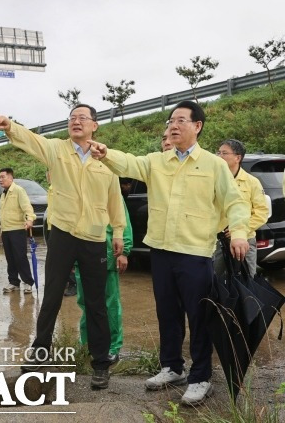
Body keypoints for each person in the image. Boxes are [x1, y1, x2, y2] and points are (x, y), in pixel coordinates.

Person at [87, 100, 250, 405]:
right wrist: (106, 153)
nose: (172, 126)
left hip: (195, 253)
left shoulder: (214, 165)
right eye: (170, 121)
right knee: (167, 314)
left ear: (197, 126)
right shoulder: (158, 161)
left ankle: (201, 376)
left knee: (199, 316)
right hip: (160, 251)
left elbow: (235, 202)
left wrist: (239, 233)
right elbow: (130, 163)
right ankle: (173, 367)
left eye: (180, 121)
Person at [0, 105, 126, 390]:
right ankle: (41, 352)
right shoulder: (56, 149)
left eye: (82, 118)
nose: (76, 122)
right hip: (63, 235)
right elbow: (31, 140)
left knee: (96, 303)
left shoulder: (105, 158)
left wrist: (119, 232)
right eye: (72, 118)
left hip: (94, 238)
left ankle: (100, 363)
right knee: (51, 296)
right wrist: (10, 125)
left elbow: (115, 199)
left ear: (94, 126)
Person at [74, 177, 133, 363]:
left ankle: (113, 346)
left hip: (107, 254)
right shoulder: (75, 190)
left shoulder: (110, 188)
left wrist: (125, 251)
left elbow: (123, 221)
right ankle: (87, 343)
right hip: (81, 256)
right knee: (85, 303)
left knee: (110, 304)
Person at [213, 139, 268, 277]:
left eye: (224, 153)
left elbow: (262, 212)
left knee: (248, 279)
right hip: (218, 240)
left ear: (238, 157)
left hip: (245, 241)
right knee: (213, 279)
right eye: (218, 152)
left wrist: (241, 229)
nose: (219, 156)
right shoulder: (213, 179)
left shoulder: (252, 182)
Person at [0, 168, 36, 294]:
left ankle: (28, 282)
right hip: (6, 230)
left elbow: (27, 207)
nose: (0, 180)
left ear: (10, 177)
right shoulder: (3, 193)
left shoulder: (18, 190)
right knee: (10, 258)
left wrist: (30, 219)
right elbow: (3, 213)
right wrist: (2, 230)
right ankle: (14, 282)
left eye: (3, 177)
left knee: (20, 257)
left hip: (17, 229)